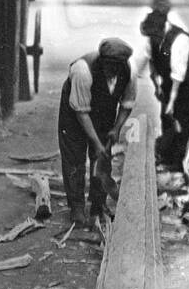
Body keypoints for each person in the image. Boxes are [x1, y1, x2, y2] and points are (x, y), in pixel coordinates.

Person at [57, 38, 136, 227]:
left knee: (102, 160)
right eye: (109, 66)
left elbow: (127, 104)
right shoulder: (82, 70)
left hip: (103, 111)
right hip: (74, 112)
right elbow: (81, 112)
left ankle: (98, 205)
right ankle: (76, 206)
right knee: (74, 158)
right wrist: (96, 142)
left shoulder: (129, 72)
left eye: (117, 66)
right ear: (102, 60)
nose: (113, 70)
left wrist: (116, 128)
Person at [140, 10, 189, 178]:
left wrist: (172, 101)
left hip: (186, 81)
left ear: (161, 29)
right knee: (166, 118)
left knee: (182, 119)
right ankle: (165, 157)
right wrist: (156, 86)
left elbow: (178, 74)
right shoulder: (153, 37)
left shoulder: (180, 39)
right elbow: (151, 62)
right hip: (167, 80)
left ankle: (176, 163)